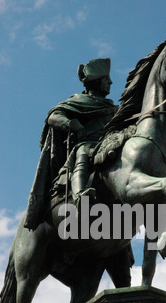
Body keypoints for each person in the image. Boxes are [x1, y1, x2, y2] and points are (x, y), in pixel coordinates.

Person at [24, 58, 117, 230]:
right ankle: (81, 196)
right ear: (96, 82)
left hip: (110, 146)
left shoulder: (113, 108)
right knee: (83, 150)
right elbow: (54, 116)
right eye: (106, 78)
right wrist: (72, 124)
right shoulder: (78, 101)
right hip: (87, 146)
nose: (110, 82)